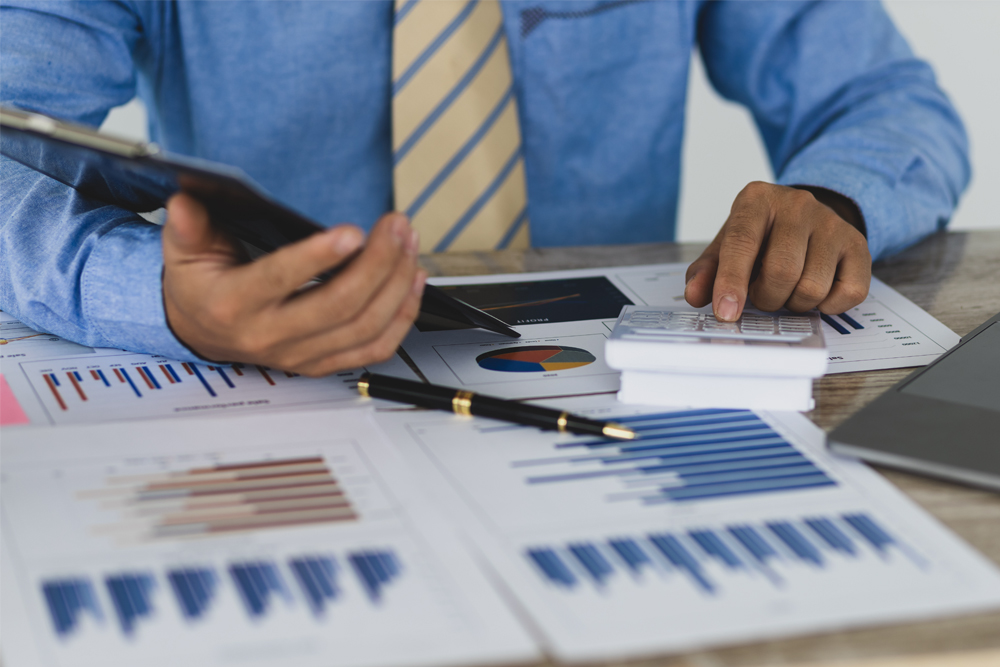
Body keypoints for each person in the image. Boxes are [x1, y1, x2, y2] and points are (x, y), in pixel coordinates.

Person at [0, 0, 968, 377]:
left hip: (607, 386)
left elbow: (882, 99)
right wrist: (150, 296)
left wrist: (835, 197)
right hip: (269, 392)